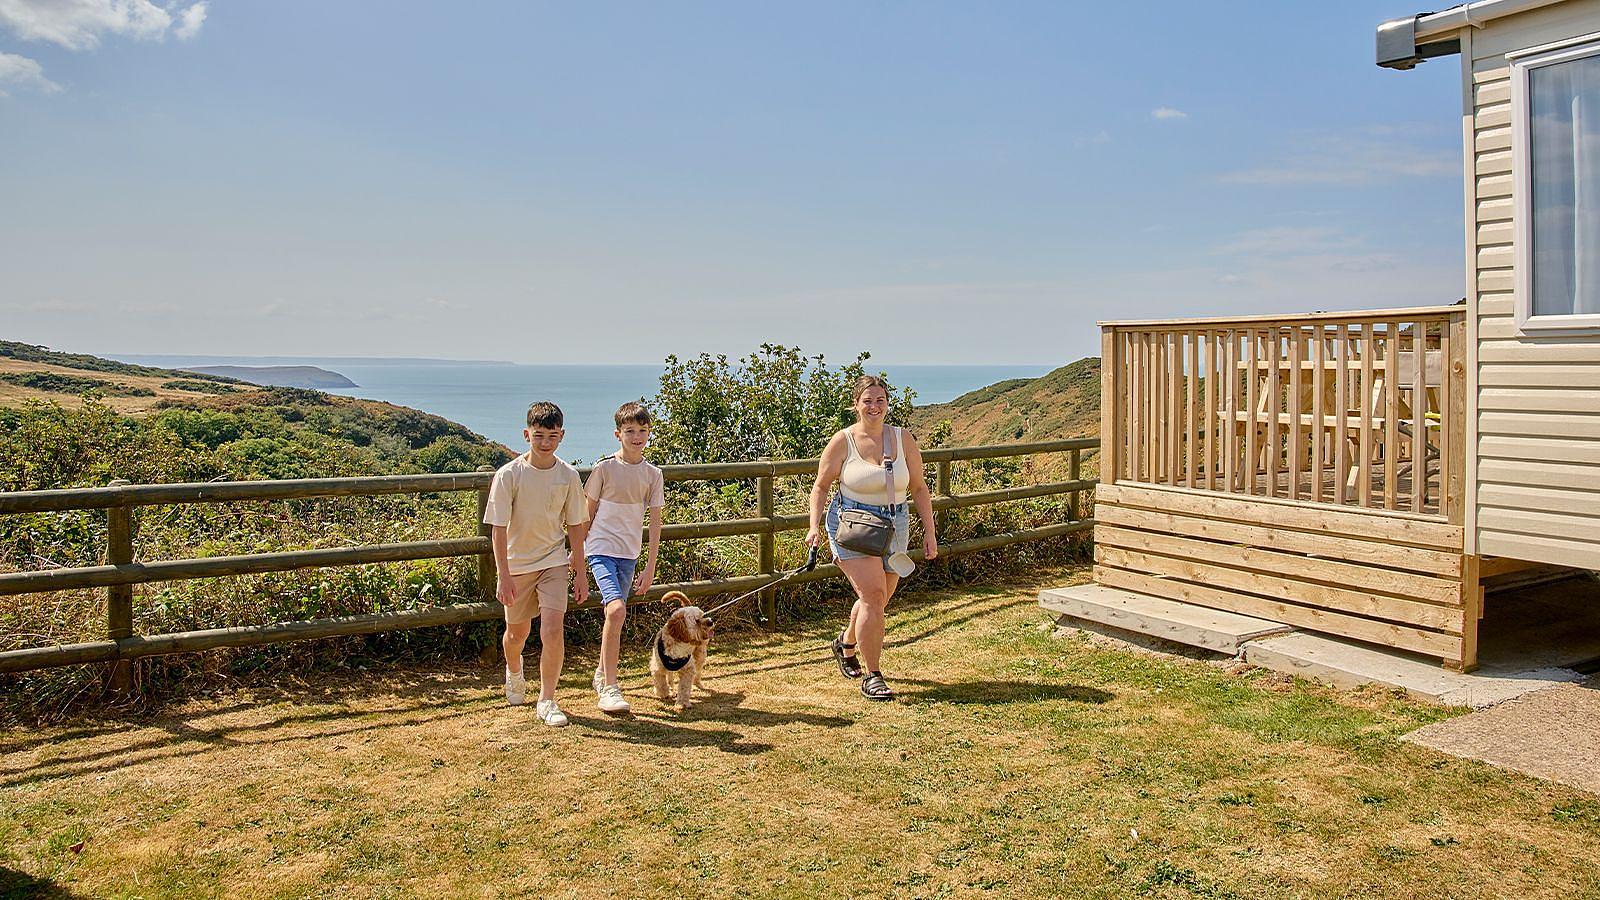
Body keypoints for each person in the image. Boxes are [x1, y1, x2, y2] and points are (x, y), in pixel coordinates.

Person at [806, 375, 937, 701]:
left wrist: (930, 533)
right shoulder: (843, 441)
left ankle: (846, 643)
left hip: (896, 523)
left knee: (876, 600)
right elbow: (821, 486)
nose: (874, 406)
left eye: (880, 400)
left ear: (887, 404)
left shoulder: (903, 439)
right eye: (868, 400)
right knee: (873, 594)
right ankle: (873, 675)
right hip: (853, 523)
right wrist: (813, 527)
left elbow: (919, 488)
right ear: (856, 404)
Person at [483, 401, 590, 726]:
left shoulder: (568, 475)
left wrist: (580, 572)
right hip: (517, 565)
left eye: (553, 436)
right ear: (527, 434)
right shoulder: (508, 475)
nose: (546, 443)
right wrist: (503, 575)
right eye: (539, 436)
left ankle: (547, 699)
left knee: (553, 629)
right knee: (516, 635)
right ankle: (514, 670)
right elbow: (498, 529)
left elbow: (575, 524)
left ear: (562, 436)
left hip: (554, 562)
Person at [583, 401, 665, 714]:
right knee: (616, 611)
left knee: (614, 616)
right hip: (600, 550)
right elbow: (586, 516)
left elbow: (655, 524)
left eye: (642, 430)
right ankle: (610, 688)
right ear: (618, 434)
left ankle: (603, 673)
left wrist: (650, 566)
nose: (637, 436)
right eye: (630, 431)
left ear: (649, 434)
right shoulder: (604, 469)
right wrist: (576, 556)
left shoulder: (653, 474)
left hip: (629, 555)